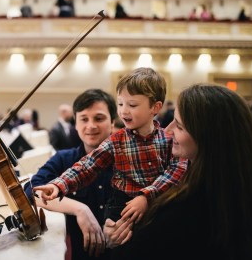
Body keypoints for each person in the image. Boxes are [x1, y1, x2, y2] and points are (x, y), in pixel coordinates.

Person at [104, 84, 252, 260]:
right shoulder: (243, 189)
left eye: (179, 126)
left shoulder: (186, 209)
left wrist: (118, 242)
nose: (168, 130)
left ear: (207, 137)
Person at [34, 68, 188, 239]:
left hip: (157, 204)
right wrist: (58, 185)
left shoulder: (168, 139)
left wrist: (147, 196)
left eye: (132, 105)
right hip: (122, 206)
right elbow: (87, 166)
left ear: (155, 107)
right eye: (121, 104)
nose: (124, 111)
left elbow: (177, 170)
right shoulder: (116, 141)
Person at [25, 89, 117, 260]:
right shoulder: (64, 158)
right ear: (75, 124)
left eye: (99, 118)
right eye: (84, 119)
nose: (91, 126)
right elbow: (32, 191)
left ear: (113, 122)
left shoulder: (127, 160)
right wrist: (80, 209)